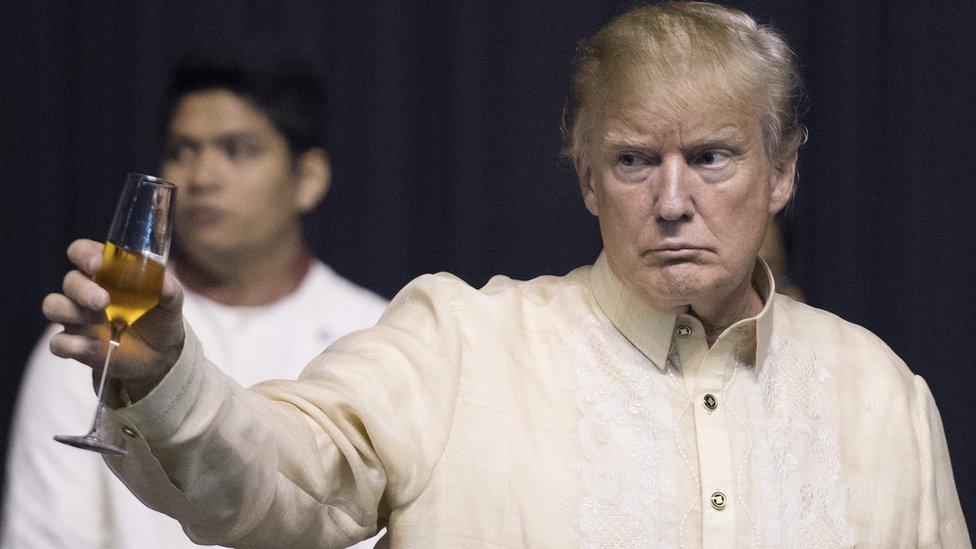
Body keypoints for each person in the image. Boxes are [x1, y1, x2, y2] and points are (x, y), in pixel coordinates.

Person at [38, 3, 970, 547]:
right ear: (585, 178)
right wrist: (166, 372)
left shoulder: (882, 396)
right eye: (637, 160)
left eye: (715, 157)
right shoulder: (458, 345)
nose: (674, 200)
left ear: (784, 171)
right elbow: (275, 481)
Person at [1, 56, 388, 548]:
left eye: (237, 150)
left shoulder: (375, 334)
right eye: (182, 150)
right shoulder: (97, 340)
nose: (202, 176)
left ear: (308, 178)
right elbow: (45, 536)